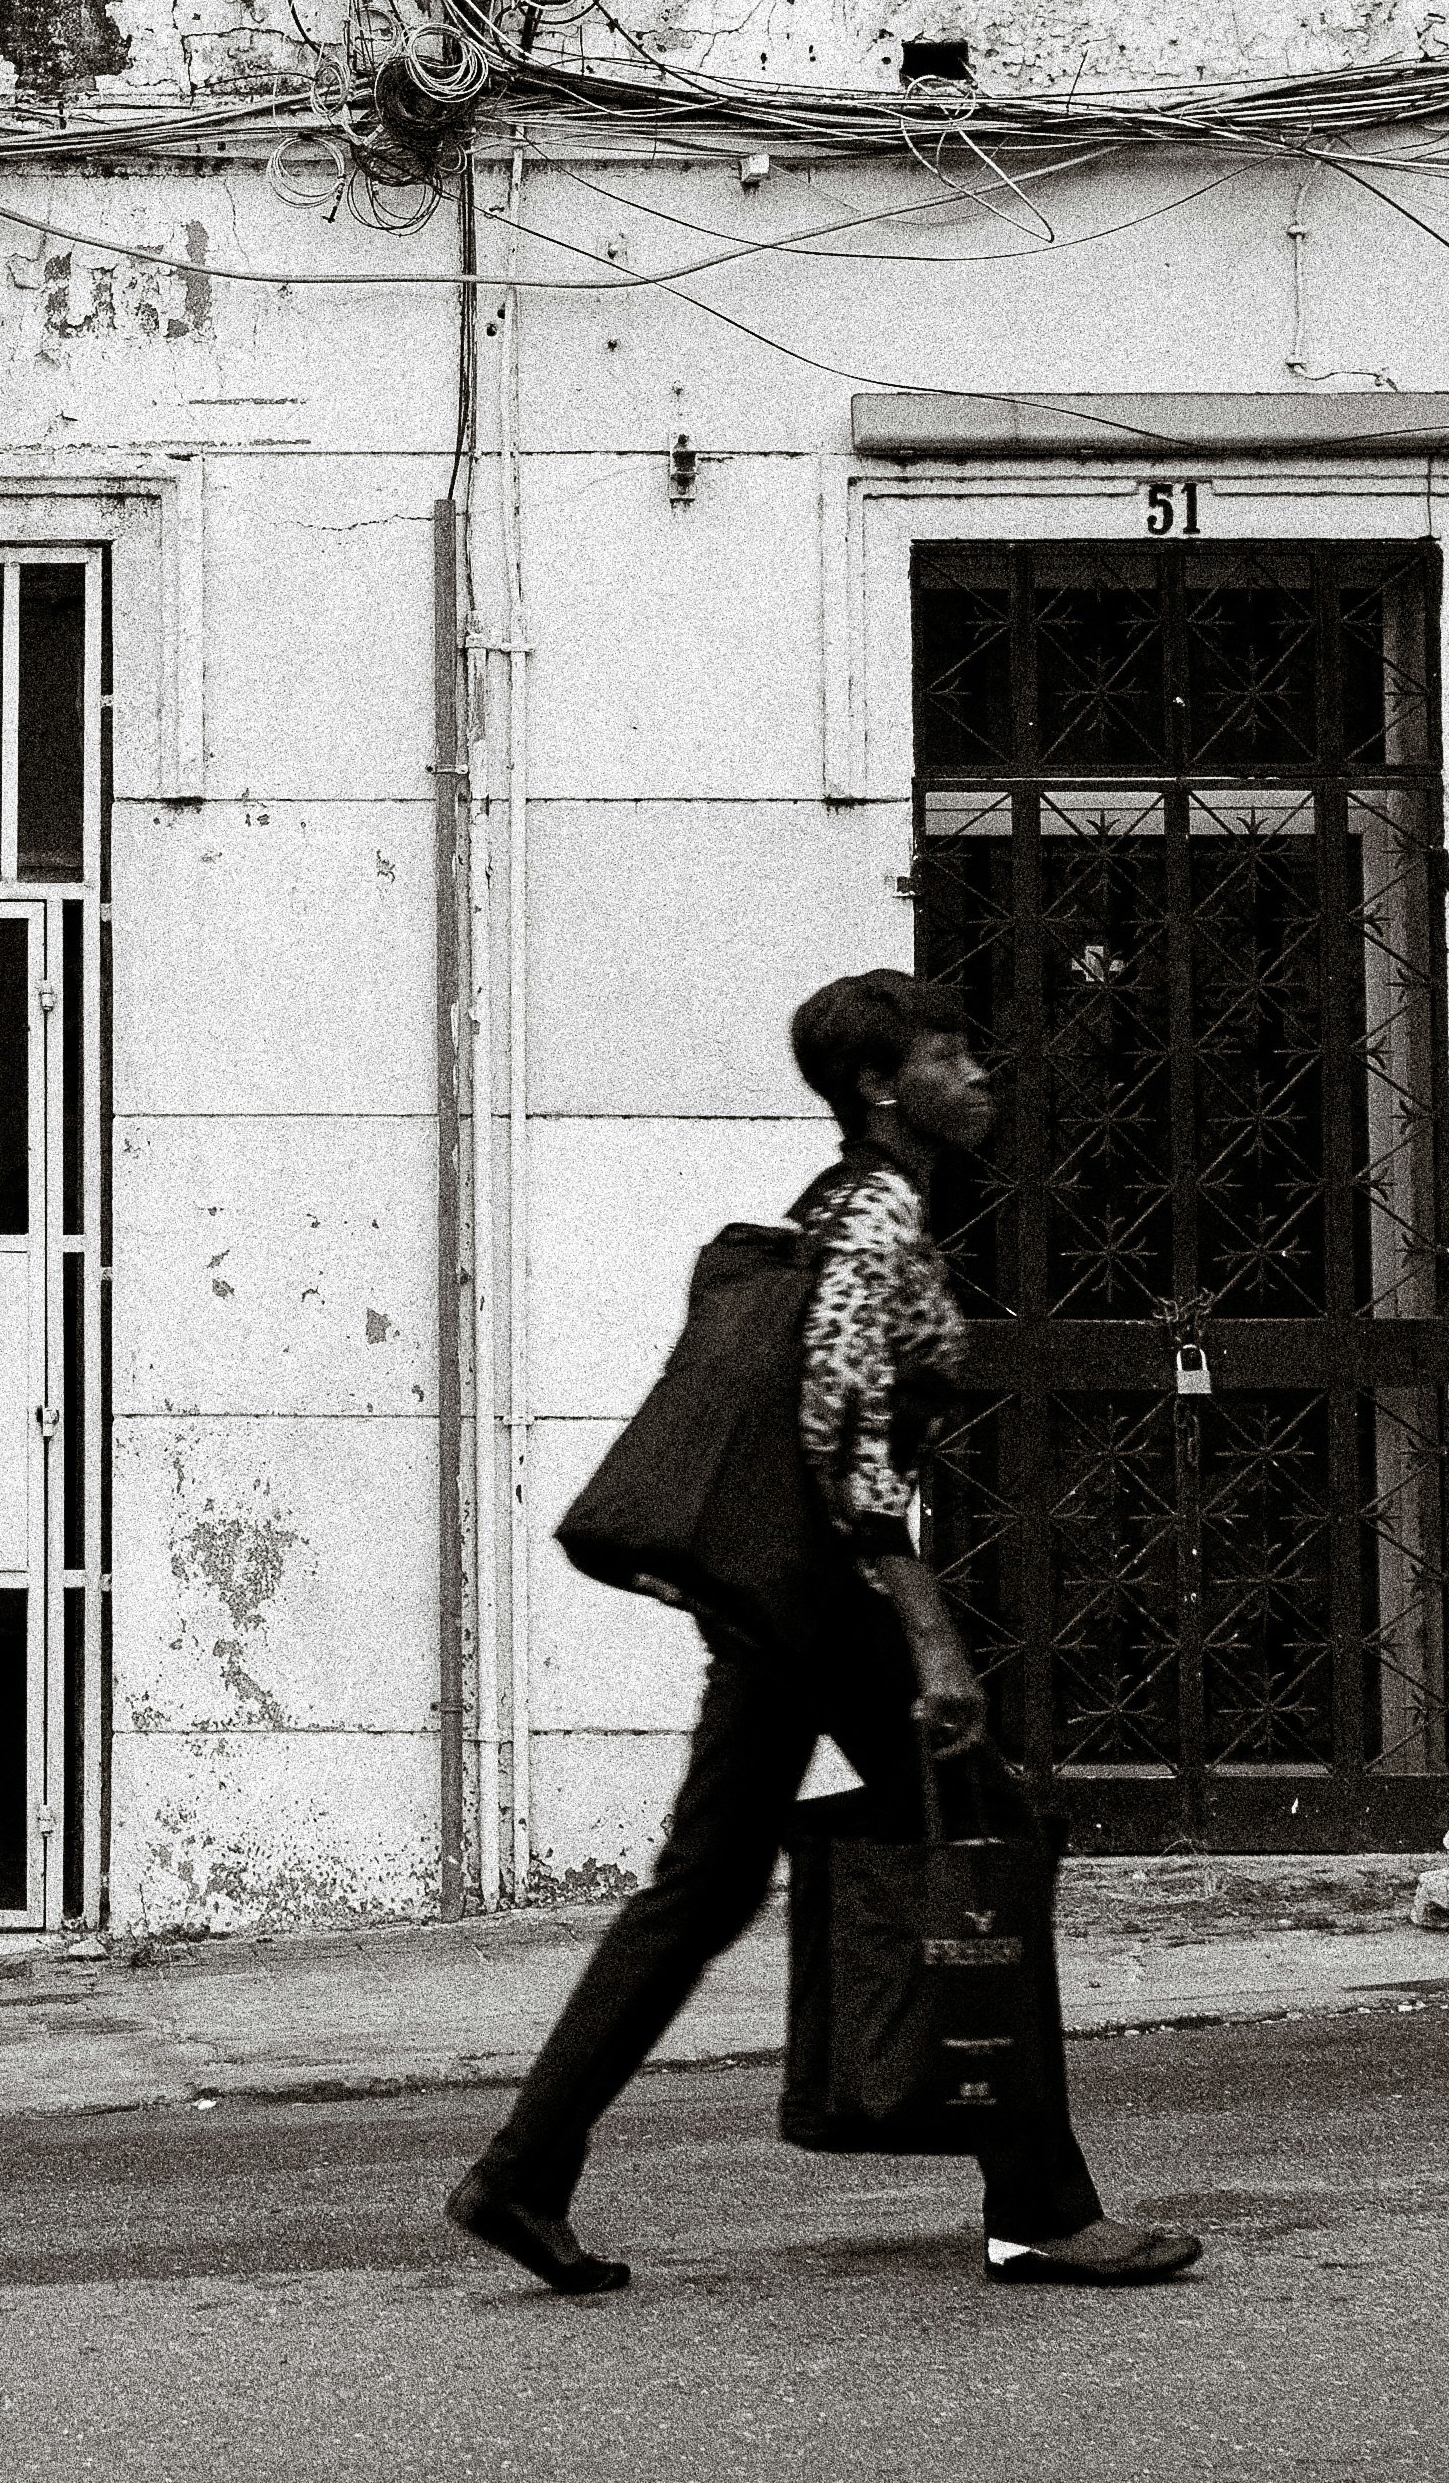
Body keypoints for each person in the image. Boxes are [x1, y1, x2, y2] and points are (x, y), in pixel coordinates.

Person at [447, 967, 1203, 2297]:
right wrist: (933, 1640)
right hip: (836, 1597)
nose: (979, 1074)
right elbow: (844, 1447)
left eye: (975, 1050)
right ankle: (1040, 2206)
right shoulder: (872, 1224)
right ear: (877, 1085)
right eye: (949, 1052)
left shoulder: (848, 1210)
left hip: (775, 1608)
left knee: (704, 1889)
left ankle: (522, 2170)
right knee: (996, 1839)